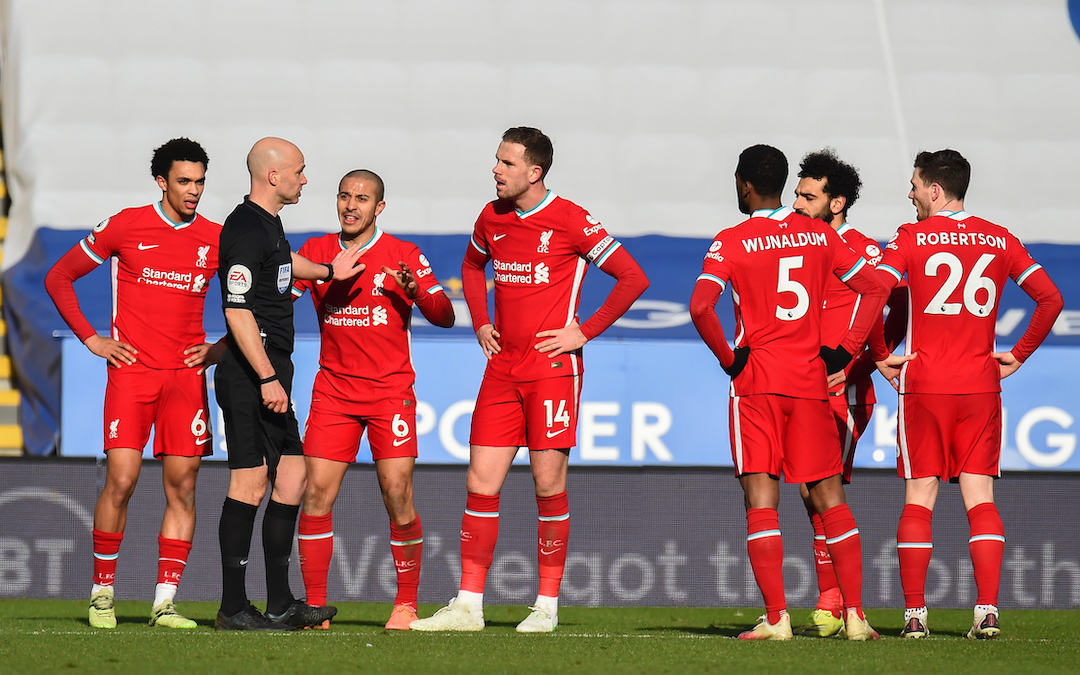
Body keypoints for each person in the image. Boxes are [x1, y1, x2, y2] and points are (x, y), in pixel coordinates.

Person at [410, 126, 649, 633]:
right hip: (502, 370)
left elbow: (633, 278)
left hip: (552, 372)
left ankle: (546, 606)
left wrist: (583, 332)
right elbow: (472, 267)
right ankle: (468, 605)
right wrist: (480, 321)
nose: (496, 170)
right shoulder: (490, 217)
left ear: (534, 172)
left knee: (548, 485)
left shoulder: (570, 219)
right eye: (496, 161)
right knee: (480, 483)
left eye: (507, 163)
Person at [689, 144, 888, 641]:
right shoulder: (820, 235)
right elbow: (877, 289)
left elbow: (700, 306)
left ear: (744, 184)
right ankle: (857, 616)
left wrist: (730, 359)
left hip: (756, 384)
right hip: (808, 383)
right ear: (782, 185)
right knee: (831, 500)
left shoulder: (731, 240)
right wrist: (842, 352)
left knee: (762, 499)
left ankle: (777, 619)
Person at [873, 149, 1063, 640]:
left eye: (914, 185)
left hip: (924, 384)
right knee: (981, 497)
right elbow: (1051, 298)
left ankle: (915, 615)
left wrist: (877, 353)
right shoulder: (1000, 238)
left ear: (935, 190)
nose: (910, 194)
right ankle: (987, 612)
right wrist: (1017, 355)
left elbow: (873, 290)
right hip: (981, 384)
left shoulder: (911, 236)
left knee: (920, 497)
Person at [45, 138, 222, 630]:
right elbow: (59, 277)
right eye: (184, 181)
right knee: (120, 480)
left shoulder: (217, 236)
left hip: (186, 379)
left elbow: (261, 296)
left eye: (201, 181)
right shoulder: (126, 224)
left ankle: (164, 603)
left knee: (182, 488)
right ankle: (102, 595)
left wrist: (221, 348)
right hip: (133, 375)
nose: (194, 191)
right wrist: (92, 340)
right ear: (161, 182)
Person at [292, 169, 455, 630]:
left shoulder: (403, 255)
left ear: (378, 207)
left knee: (397, 495)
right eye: (344, 196)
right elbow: (283, 296)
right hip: (333, 392)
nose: (351, 205)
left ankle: (406, 603)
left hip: (389, 394)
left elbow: (445, 315)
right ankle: (316, 608)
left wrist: (415, 291)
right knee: (317, 495)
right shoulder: (318, 251)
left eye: (362, 198)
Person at [213, 137, 364, 631]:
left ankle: (280, 604)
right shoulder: (243, 228)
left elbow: (282, 265)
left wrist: (326, 271)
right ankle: (233, 607)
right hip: (252, 375)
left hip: (272, 372)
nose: (305, 178)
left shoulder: (269, 225)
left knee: (294, 477)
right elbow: (236, 310)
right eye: (300, 170)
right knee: (250, 482)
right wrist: (266, 377)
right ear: (273, 176)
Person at [789, 149, 908, 637]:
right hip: (800, 384)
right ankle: (834, 601)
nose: (797, 203)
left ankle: (834, 600)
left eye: (808, 196)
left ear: (837, 202)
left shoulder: (861, 248)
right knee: (808, 489)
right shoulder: (794, 243)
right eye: (796, 193)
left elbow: (892, 305)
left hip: (843, 390)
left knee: (822, 488)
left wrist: (862, 362)